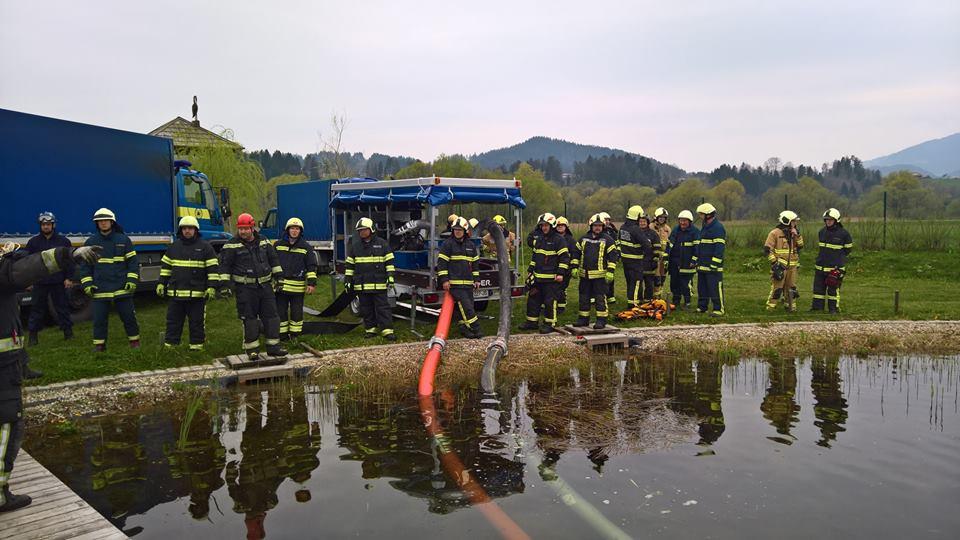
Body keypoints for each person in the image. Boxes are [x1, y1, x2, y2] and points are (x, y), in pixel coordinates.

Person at [1, 241, 100, 513]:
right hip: (2, 369)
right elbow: (31, 266)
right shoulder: (3, 269)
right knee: (7, 424)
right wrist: (69, 254)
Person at [218, 212, 287, 359]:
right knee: (250, 319)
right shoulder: (231, 245)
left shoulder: (264, 241)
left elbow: (273, 260)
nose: (243, 231)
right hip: (245, 288)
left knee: (272, 317)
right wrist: (225, 286)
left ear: (252, 227)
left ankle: (273, 347)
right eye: (240, 228)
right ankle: (252, 350)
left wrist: (279, 278)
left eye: (246, 228)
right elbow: (224, 267)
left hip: (265, 286)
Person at [77, 208, 141, 352]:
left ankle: (134, 342)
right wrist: (88, 284)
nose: (103, 223)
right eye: (100, 221)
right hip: (100, 288)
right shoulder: (91, 242)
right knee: (99, 320)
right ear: (97, 224)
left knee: (129, 317)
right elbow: (85, 267)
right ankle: (99, 345)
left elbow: (133, 263)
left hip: (122, 287)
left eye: (106, 220)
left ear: (112, 222)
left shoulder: (124, 240)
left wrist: (131, 280)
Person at [157, 216, 220, 350]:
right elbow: (166, 268)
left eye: (190, 228)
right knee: (173, 322)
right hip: (176, 295)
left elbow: (213, 269)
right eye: (184, 228)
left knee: (196, 323)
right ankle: (170, 348)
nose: (187, 231)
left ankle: (196, 348)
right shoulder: (173, 247)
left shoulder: (205, 247)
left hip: (196, 296)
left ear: (196, 230)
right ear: (181, 230)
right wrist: (161, 283)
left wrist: (212, 287)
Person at [25, 212, 74, 348]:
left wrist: (69, 278)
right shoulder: (33, 242)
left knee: (62, 308)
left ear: (53, 225)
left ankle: (68, 333)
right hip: (40, 281)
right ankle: (33, 337)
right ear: (40, 226)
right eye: (43, 224)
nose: (46, 227)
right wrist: (28, 281)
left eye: (48, 224)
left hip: (58, 281)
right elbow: (28, 263)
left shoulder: (63, 241)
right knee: (36, 310)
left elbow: (69, 261)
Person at [344, 217, 396, 340]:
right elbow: (350, 266)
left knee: (383, 308)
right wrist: (348, 280)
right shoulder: (355, 247)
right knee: (366, 308)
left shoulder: (382, 244)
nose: (362, 232)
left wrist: (390, 276)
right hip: (362, 285)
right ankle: (370, 330)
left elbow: (389, 262)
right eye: (360, 230)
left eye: (364, 230)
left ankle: (387, 330)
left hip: (379, 285)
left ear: (371, 229)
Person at [519, 213, 569, 334]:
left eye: (546, 225)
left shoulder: (559, 240)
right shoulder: (539, 239)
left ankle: (550, 323)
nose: (544, 228)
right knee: (533, 299)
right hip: (538, 278)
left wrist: (560, 273)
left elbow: (564, 258)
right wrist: (530, 271)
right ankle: (532, 322)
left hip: (551, 279)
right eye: (542, 226)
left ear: (552, 226)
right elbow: (535, 256)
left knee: (549, 301)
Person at [274, 217, 319, 341]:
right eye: (292, 228)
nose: (294, 231)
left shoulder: (306, 247)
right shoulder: (278, 246)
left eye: (297, 229)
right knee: (281, 312)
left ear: (300, 231)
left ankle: (295, 335)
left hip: (297, 288)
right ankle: (282, 335)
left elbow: (311, 266)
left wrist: (311, 283)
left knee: (296, 313)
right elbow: (272, 263)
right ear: (287, 230)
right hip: (281, 287)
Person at [437, 217, 482, 339]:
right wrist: (445, 280)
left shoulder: (471, 246)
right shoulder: (448, 244)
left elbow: (475, 265)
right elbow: (441, 263)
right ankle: (476, 329)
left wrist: (477, 280)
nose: (457, 231)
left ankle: (465, 329)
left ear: (465, 231)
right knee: (467, 308)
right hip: (455, 284)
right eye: (455, 229)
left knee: (468, 307)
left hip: (468, 283)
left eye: (460, 230)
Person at [572, 214, 618, 329]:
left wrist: (610, 271)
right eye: (595, 225)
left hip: (600, 276)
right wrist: (574, 267)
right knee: (583, 298)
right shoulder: (583, 239)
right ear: (591, 226)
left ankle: (601, 320)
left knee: (600, 298)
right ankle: (583, 319)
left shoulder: (608, 239)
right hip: (584, 275)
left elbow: (613, 257)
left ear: (603, 226)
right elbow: (575, 253)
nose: (597, 227)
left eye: (599, 225)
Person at [812, 208, 853, 313]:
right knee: (818, 290)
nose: (828, 221)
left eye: (830, 219)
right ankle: (817, 309)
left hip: (835, 268)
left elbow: (847, 250)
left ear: (836, 220)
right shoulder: (821, 232)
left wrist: (838, 264)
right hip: (820, 267)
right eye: (826, 219)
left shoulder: (844, 234)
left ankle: (833, 309)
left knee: (833, 291)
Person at [764, 210, 804, 311]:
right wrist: (774, 263)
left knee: (792, 288)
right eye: (794, 221)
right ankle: (770, 308)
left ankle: (790, 307)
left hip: (792, 267)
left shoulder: (794, 233)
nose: (795, 223)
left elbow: (800, 245)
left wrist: (797, 235)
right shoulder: (775, 233)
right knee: (777, 288)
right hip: (780, 266)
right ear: (787, 221)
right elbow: (767, 250)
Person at [693, 203, 726, 316]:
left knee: (715, 288)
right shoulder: (705, 227)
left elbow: (719, 249)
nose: (700, 216)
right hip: (702, 265)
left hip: (713, 267)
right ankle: (702, 307)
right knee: (702, 288)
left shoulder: (718, 228)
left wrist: (714, 264)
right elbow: (701, 246)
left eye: (701, 214)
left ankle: (718, 309)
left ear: (708, 215)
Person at [618, 205, 652, 308]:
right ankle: (634, 304)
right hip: (636, 260)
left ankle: (630, 301)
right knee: (636, 282)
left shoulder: (623, 227)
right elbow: (647, 245)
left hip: (625, 260)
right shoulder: (636, 229)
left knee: (629, 282)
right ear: (637, 216)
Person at [667, 210, 699, 308]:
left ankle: (687, 302)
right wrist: (666, 256)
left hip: (687, 262)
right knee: (674, 283)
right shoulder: (676, 229)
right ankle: (676, 301)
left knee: (686, 284)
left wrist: (694, 260)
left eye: (684, 221)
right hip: (675, 262)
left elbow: (697, 248)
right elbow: (670, 244)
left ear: (690, 221)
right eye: (681, 220)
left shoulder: (695, 232)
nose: (682, 223)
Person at [637, 213, 662, 301]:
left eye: (644, 221)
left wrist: (655, 260)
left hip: (649, 262)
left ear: (647, 223)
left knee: (649, 284)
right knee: (638, 284)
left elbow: (657, 248)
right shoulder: (635, 233)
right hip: (638, 262)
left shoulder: (653, 234)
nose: (642, 223)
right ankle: (638, 300)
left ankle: (648, 300)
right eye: (640, 221)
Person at [554, 216, 575, 314]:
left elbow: (574, 254)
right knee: (553, 288)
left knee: (561, 288)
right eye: (558, 225)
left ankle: (561, 307)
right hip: (553, 267)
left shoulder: (570, 240)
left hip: (566, 267)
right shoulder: (552, 237)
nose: (560, 227)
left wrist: (573, 266)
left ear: (566, 227)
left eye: (562, 225)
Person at [652, 207, 671, 298]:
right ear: (656, 217)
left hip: (664, 258)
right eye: (660, 217)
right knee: (656, 277)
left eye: (664, 218)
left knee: (662, 277)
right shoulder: (651, 227)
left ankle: (659, 296)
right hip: (654, 256)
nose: (662, 219)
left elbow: (669, 243)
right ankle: (654, 296)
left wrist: (667, 255)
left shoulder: (667, 229)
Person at [600, 212, 618, 303]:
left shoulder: (612, 231)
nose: (607, 222)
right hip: (600, 257)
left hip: (610, 256)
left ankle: (610, 295)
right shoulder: (598, 231)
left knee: (610, 275)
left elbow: (616, 242)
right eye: (605, 220)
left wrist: (617, 253)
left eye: (608, 220)